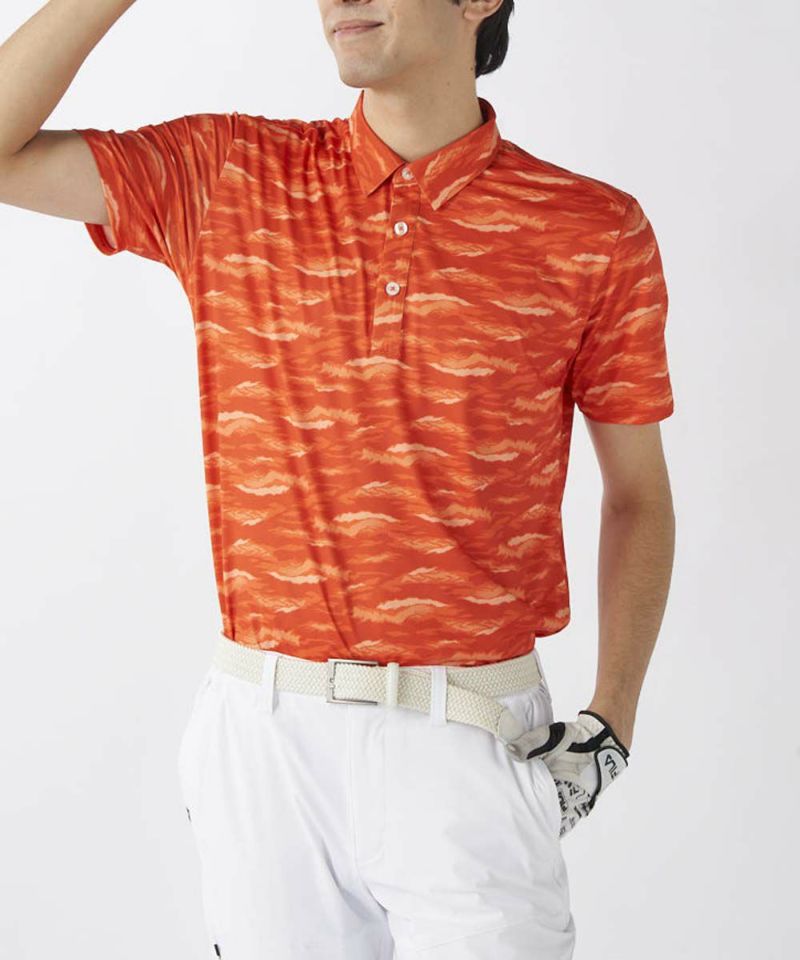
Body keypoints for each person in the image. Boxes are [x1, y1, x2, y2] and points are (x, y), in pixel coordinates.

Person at [0, 1, 676, 957]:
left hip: (471, 739)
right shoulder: (230, 174)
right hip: (267, 744)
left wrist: (613, 719)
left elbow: (638, 495)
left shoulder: (592, 231)